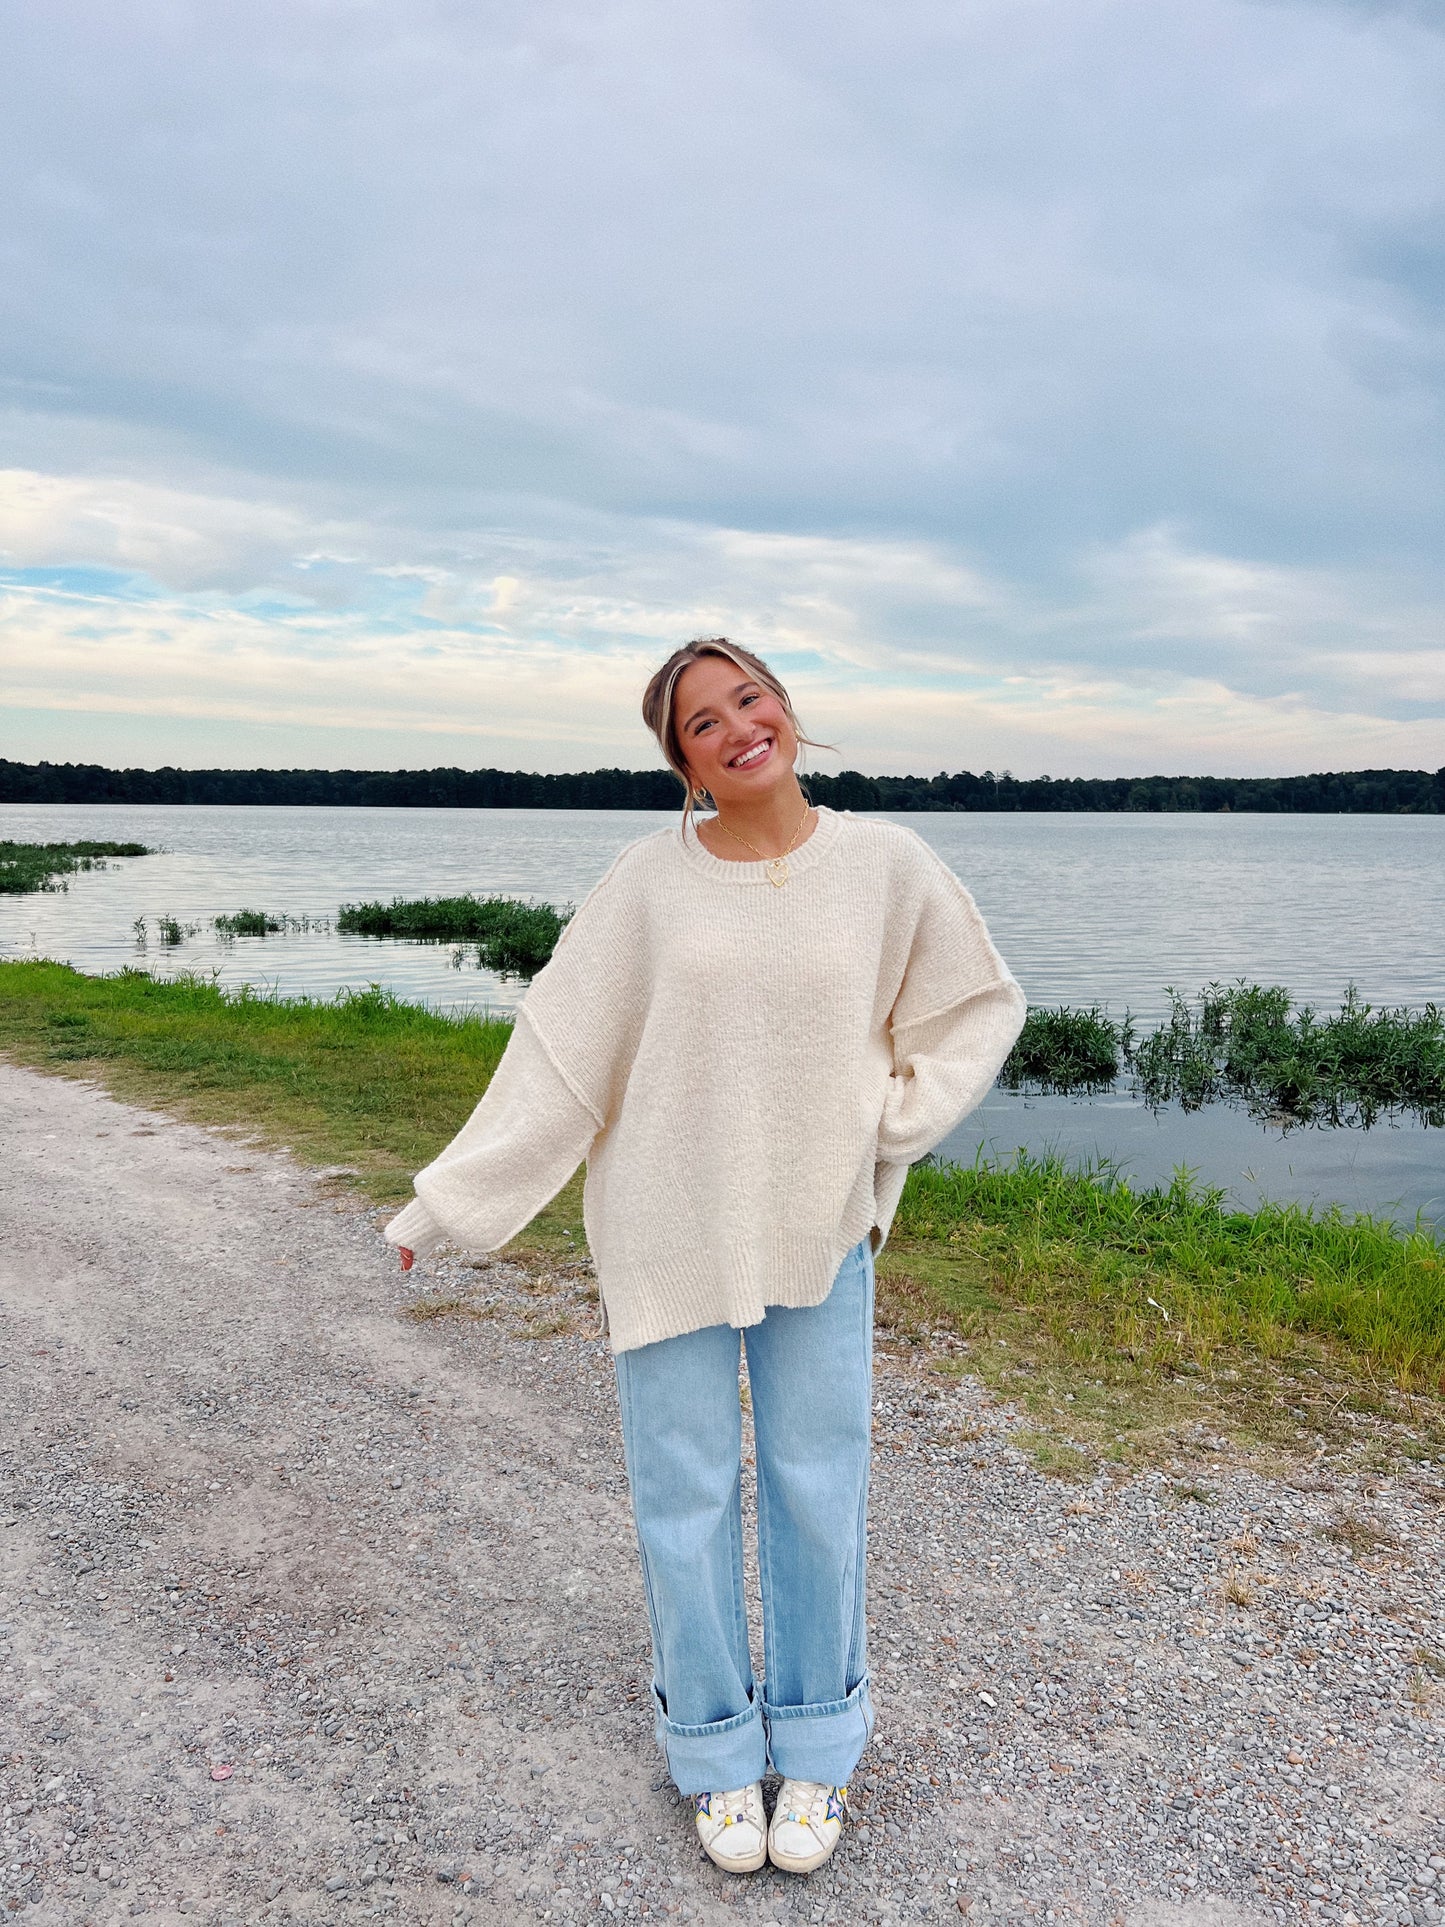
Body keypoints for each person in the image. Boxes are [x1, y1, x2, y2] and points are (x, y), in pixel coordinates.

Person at [384, 638, 1026, 1876]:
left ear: (785, 709)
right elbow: (560, 1056)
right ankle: (719, 1756)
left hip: (817, 1228)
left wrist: (886, 1125)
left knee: (814, 1491)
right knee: (682, 1501)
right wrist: (447, 1205)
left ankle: (820, 1752)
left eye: (749, 697)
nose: (737, 727)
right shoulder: (645, 883)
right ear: (681, 762)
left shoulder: (887, 865)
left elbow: (972, 1009)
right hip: (666, 1227)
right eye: (700, 722)